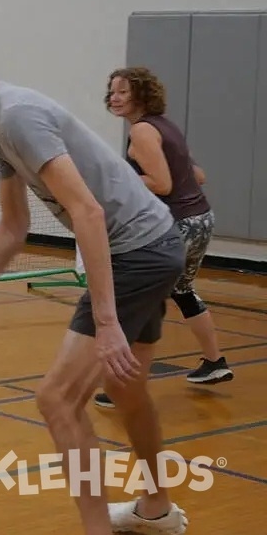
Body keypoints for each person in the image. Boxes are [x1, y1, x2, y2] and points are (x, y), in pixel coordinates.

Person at [0, 34, 189, 535]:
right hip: (158, 243)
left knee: (57, 399)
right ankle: (156, 510)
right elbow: (13, 226)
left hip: (137, 253)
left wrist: (106, 322)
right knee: (125, 389)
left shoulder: (18, 116)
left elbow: (88, 211)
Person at [91, 67, 232, 408]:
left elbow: (162, 184)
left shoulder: (142, 131)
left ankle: (122, 386)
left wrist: (119, 176)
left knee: (141, 298)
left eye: (122, 91)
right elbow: (198, 175)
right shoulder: (165, 127)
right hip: (201, 218)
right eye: (112, 91)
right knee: (182, 290)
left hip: (177, 223)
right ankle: (215, 363)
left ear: (141, 94)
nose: (114, 96)